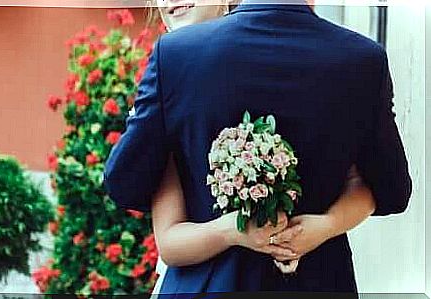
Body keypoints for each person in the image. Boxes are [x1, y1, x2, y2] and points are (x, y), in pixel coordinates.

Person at [103, 0, 413, 297]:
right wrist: (324, 225)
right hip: (320, 278)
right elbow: (391, 189)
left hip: (209, 282)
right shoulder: (363, 60)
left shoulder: (174, 56)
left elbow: (123, 182)